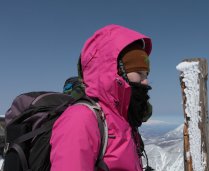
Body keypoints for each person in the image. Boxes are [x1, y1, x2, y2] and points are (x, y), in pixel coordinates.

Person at [50, 24, 153, 171]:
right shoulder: (81, 119)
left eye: (146, 74)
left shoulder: (123, 119)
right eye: (139, 73)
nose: (146, 81)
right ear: (117, 71)